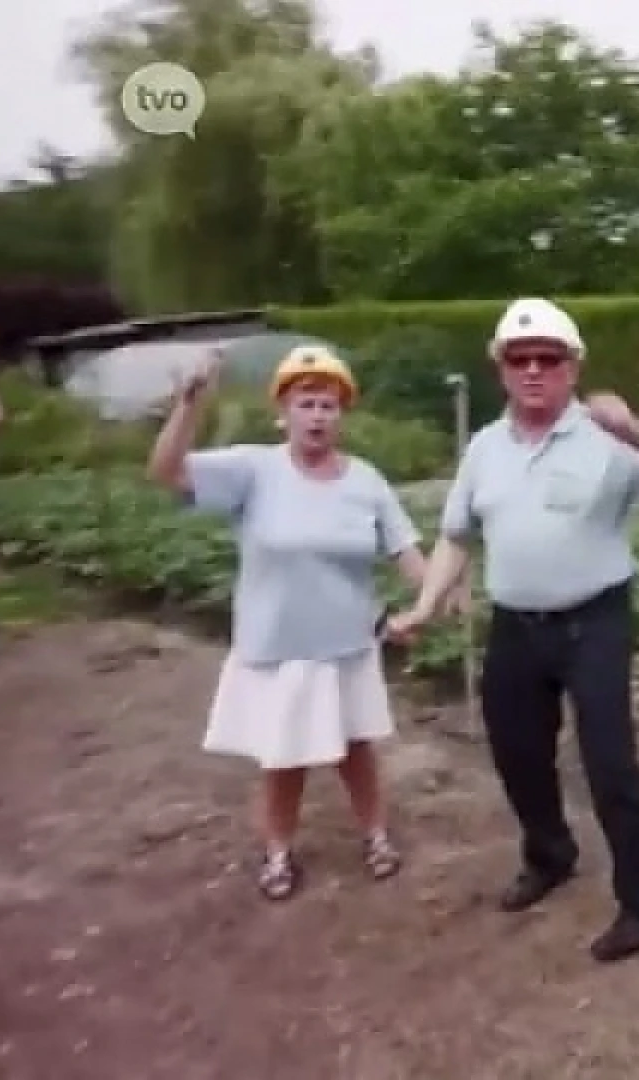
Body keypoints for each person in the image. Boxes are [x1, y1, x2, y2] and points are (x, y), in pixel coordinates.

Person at [388, 297, 639, 965]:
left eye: (548, 359)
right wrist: (424, 604)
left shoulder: (606, 438)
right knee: (517, 753)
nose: (534, 370)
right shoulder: (484, 449)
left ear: (572, 366)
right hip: (516, 626)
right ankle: (550, 854)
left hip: (595, 621)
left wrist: (638, 432)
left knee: (610, 762)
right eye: (519, 359)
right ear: (501, 368)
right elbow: (455, 536)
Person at [147, 345, 428, 902]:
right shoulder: (254, 470)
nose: (319, 415)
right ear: (284, 411)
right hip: (280, 649)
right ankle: (278, 853)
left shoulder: (365, 481)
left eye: (329, 404)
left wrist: (431, 600)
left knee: (356, 751)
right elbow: (166, 472)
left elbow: (407, 552)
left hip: (347, 644)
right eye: (307, 402)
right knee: (283, 760)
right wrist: (190, 402)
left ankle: (375, 836)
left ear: (342, 414)